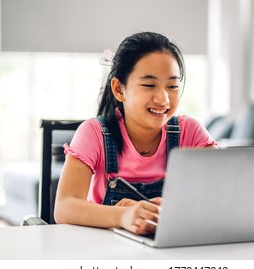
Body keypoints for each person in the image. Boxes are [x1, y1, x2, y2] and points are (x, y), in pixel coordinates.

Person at [54, 32, 217, 235]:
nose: (163, 99)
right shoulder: (94, 132)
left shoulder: (191, 133)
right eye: (149, 85)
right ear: (119, 89)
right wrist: (122, 216)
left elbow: (221, 196)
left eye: (172, 86)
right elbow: (64, 208)